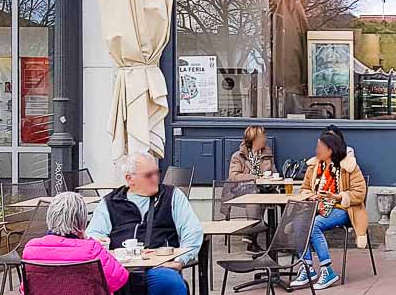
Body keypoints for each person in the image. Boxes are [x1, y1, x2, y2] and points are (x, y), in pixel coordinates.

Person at [87, 152, 204, 295]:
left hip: (159, 266)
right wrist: (102, 243)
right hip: (120, 267)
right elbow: (93, 236)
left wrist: (179, 261)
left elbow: (192, 231)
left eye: (157, 173)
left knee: (169, 283)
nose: (155, 178)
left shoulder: (172, 195)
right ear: (130, 179)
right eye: (149, 175)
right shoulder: (110, 202)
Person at [291, 132, 369, 290]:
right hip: (318, 206)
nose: (316, 150)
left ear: (330, 150)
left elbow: (360, 193)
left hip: (343, 208)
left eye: (319, 147)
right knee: (298, 223)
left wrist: (338, 196)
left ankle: (327, 270)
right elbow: (305, 188)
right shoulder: (314, 166)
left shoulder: (349, 167)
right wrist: (310, 196)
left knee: (314, 225)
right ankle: (307, 268)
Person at [23, 192, 129, 293]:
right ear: (81, 220)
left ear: (50, 217)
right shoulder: (91, 249)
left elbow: (26, 289)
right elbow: (119, 279)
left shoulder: (31, 248)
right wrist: (87, 239)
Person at [227, 125, 273, 251]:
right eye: (263, 136)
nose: (265, 138)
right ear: (255, 138)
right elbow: (233, 176)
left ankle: (255, 236)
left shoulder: (267, 154)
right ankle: (252, 235)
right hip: (240, 190)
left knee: (274, 197)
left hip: (263, 190)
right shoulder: (238, 156)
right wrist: (254, 177)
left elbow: (273, 172)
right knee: (255, 194)